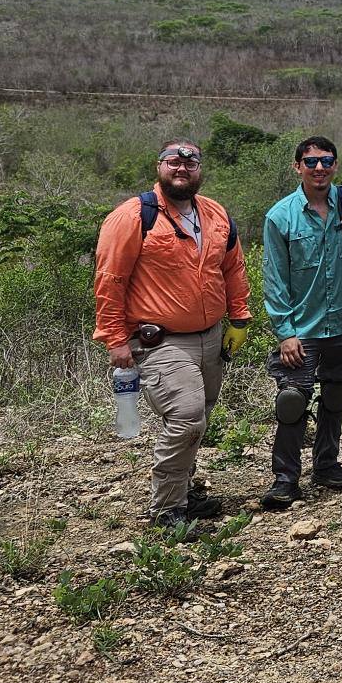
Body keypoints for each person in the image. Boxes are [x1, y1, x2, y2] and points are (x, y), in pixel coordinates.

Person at [92, 140, 250, 526]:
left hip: (210, 336)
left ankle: (185, 490)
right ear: (158, 166)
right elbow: (110, 280)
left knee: (201, 414)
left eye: (191, 163)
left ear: (200, 169)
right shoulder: (133, 216)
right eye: (173, 162)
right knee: (186, 416)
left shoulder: (214, 214)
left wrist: (240, 319)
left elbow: (233, 268)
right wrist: (114, 338)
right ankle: (167, 507)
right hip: (159, 339)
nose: (182, 168)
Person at [258, 136, 342, 511]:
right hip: (303, 329)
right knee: (292, 400)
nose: (319, 168)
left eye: (326, 161)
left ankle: (327, 464)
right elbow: (275, 278)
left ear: (335, 165)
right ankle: (285, 478)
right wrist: (285, 332)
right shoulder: (281, 215)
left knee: (336, 395)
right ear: (298, 167)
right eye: (311, 162)